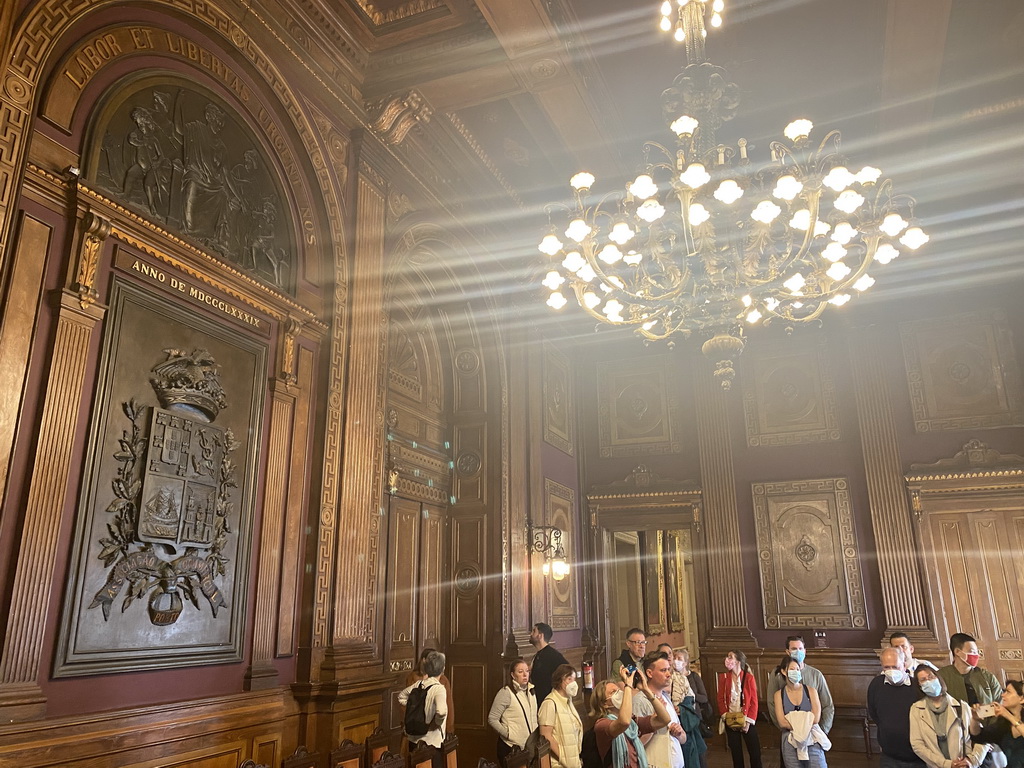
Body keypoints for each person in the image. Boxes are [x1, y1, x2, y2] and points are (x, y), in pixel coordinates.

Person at [590, 664, 672, 768]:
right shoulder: (602, 724)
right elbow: (624, 722)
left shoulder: (633, 722)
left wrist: (646, 691)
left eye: (619, 690)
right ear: (604, 704)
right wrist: (628, 685)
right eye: (613, 692)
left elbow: (664, 719)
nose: (619, 693)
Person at [909, 664, 988, 768]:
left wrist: (972, 760)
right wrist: (946, 764)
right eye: (923, 680)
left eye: (931, 677)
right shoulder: (916, 709)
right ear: (919, 686)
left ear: (938, 678)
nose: (929, 681)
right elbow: (917, 744)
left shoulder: (961, 706)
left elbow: (981, 738)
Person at [867, 647, 926, 768]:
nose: (891, 671)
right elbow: (874, 713)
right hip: (889, 757)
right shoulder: (876, 685)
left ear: (904, 665)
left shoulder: (917, 686)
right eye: (886, 667)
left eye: (895, 667)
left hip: (919, 757)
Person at [766, 636, 835, 734]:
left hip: (814, 732)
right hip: (789, 732)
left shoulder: (816, 675)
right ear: (787, 652)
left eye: (800, 648)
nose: (798, 651)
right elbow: (771, 703)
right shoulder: (777, 674)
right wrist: (785, 728)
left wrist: (823, 730)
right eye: (794, 649)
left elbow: (827, 705)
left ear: (805, 651)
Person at [774, 655, 829, 768]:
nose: (796, 672)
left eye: (798, 669)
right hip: (790, 741)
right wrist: (805, 719)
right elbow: (782, 722)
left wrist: (793, 719)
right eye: (792, 669)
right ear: (784, 671)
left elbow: (816, 718)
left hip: (812, 738)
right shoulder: (778, 695)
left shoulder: (811, 691)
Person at [488, 658, 539, 768]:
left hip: (529, 746)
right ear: (512, 675)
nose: (525, 675)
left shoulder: (531, 691)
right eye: (520, 672)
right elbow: (492, 718)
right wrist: (508, 734)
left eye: (527, 671)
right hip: (511, 747)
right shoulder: (506, 693)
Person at [640, 651, 687, 768]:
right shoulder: (641, 701)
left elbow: (683, 739)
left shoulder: (666, 698)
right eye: (663, 670)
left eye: (668, 669)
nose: (669, 674)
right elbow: (636, 744)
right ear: (649, 673)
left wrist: (679, 733)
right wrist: (655, 722)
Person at [718, 650, 762, 768]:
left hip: (746, 719)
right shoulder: (724, 677)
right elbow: (720, 699)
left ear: (737, 661)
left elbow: (753, 701)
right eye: (727, 656)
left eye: (730, 657)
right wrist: (726, 717)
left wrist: (748, 721)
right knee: (736, 754)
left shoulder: (748, 678)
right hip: (731, 719)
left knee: (755, 753)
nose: (727, 659)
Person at [398, 650, 449, 752]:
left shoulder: (419, 684)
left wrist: (413, 706)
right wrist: (437, 722)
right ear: (442, 669)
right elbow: (441, 711)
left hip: (414, 741)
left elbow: (401, 696)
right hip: (432, 742)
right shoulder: (439, 689)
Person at [937, 633, 1002, 711]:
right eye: (972, 651)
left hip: (988, 721)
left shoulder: (987, 676)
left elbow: (1000, 703)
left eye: (976, 652)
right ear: (957, 651)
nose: (976, 655)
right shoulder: (941, 677)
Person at [970, 679, 1024, 768]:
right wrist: (975, 720)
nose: (1003, 695)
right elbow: (978, 736)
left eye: (1008, 692)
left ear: (1021, 699)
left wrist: (1008, 715)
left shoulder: (1006, 717)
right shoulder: (1002, 723)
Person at [538, 663, 583, 768]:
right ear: (560, 680)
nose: (573, 683)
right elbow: (546, 735)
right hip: (559, 763)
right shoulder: (550, 703)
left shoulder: (568, 702)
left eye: (574, 679)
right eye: (569, 679)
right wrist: (563, 757)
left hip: (574, 761)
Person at [406, 647, 455, 733]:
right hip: (416, 727)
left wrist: (449, 728)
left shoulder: (443, 680)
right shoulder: (413, 678)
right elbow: (406, 704)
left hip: (436, 729)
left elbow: (448, 705)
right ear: (423, 660)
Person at [530, 622, 569, 704]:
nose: (531, 634)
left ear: (540, 635)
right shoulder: (537, 655)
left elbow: (568, 672)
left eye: (534, 631)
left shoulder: (554, 656)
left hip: (550, 702)